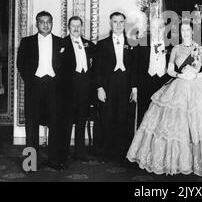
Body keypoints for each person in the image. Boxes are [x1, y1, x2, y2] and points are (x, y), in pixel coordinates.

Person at [127, 21, 202, 176]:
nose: (186, 32)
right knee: (176, 125)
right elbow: (170, 69)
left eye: (188, 30)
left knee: (199, 125)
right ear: (180, 32)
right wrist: (180, 75)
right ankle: (179, 160)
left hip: (198, 86)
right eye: (183, 30)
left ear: (193, 32)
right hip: (178, 86)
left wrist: (194, 76)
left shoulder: (200, 49)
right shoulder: (176, 48)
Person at [17, 11, 65, 171]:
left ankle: (54, 160)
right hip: (34, 87)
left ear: (52, 23)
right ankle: (30, 162)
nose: (45, 25)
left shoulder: (61, 42)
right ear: (37, 24)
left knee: (55, 124)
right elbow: (20, 64)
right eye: (42, 22)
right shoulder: (27, 42)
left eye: (48, 22)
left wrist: (58, 82)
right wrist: (31, 81)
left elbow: (66, 66)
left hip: (55, 88)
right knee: (31, 125)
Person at [94, 12, 135, 165]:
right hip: (108, 85)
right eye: (115, 22)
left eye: (121, 22)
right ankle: (106, 153)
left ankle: (122, 153)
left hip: (125, 85)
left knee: (123, 118)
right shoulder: (102, 44)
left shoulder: (132, 43)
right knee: (107, 117)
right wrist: (99, 88)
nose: (118, 25)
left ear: (125, 23)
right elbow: (96, 68)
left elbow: (134, 67)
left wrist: (134, 89)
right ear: (111, 23)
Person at [60, 16, 95, 163]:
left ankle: (80, 152)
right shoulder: (62, 43)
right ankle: (64, 152)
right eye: (73, 26)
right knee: (67, 121)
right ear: (69, 27)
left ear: (82, 27)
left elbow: (95, 67)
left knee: (82, 120)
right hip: (69, 88)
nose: (75, 29)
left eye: (78, 26)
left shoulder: (89, 44)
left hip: (85, 87)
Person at [130, 17, 170, 127]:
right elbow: (134, 66)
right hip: (145, 84)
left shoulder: (172, 44)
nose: (157, 30)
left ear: (165, 28)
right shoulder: (141, 43)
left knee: (163, 119)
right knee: (143, 118)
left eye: (160, 27)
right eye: (154, 27)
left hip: (165, 86)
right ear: (150, 29)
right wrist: (134, 89)